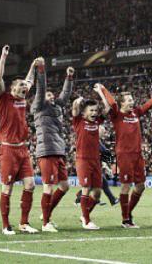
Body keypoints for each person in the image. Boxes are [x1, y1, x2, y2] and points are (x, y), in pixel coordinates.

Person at [95, 76, 152, 228]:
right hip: (124, 155)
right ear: (122, 103)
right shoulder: (117, 115)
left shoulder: (136, 113)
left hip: (138, 155)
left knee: (140, 186)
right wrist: (103, 89)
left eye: (132, 99)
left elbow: (151, 102)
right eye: (129, 100)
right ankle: (126, 219)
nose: (132, 101)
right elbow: (112, 102)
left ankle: (127, 213)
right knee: (126, 186)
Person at [0, 45, 39, 235]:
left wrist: (33, 66)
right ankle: (6, 225)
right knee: (8, 188)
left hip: (22, 149)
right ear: (11, 89)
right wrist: (4, 56)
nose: (24, 88)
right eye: (20, 86)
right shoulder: (4, 99)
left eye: (24, 86)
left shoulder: (22, 97)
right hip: (8, 150)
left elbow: (29, 80)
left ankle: (24, 223)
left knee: (31, 184)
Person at [31, 60, 74, 232]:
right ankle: (45, 223)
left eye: (52, 95)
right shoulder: (38, 106)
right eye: (48, 95)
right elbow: (41, 90)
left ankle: (46, 213)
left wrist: (69, 77)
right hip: (46, 151)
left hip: (59, 150)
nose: (51, 97)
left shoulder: (57, 107)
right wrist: (41, 70)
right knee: (48, 187)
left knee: (64, 186)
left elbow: (65, 95)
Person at [72, 96, 106, 230]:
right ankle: (86, 221)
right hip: (83, 160)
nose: (94, 113)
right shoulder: (78, 121)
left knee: (97, 193)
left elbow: (107, 107)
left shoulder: (97, 122)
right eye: (91, 110)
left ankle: (84, 215)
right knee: (86, 189)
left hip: (96, 161)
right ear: (84, 113)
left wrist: (101, 92)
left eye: (95, 111)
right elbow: (75, 108)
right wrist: (78, 100)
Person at [74, 126, 119, 207]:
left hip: (96, 165)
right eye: (103, 131)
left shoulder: (97, 140)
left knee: (101, 184)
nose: (104, 134)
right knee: (92, 185)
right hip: (90, 165)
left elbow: (101, 153)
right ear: (98, 131)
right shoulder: (94, 139)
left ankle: (111, 200)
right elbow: (103, 151)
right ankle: (79, 199)